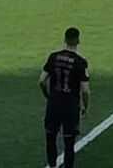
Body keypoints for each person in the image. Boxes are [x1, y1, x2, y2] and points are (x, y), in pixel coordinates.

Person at [39, 27, 90, 168]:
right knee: (69, 143)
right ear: (78, 40)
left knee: (50, 138)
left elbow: (42, 80)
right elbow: (85, 90)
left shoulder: (53, 57)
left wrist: (47, 96)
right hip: (70, 107)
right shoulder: (81, 62)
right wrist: (85, 105)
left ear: (65, 39)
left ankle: (52, 165)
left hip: (54, 103)